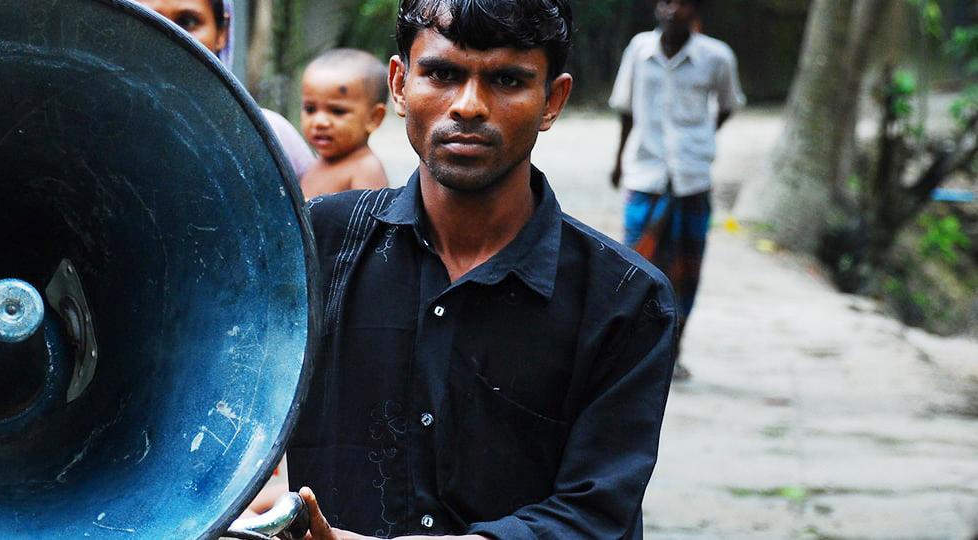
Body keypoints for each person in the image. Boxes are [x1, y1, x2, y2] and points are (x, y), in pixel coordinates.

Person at [286, 0, 679, 538]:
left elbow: (595, 516)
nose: (469, 106)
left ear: (552, 100)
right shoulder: (314, 247)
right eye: (443, 74)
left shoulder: (624, 300)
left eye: (507, 80)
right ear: (400, 85)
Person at [608, 0, 744, 379]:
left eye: (682, 4)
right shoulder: (639, 51)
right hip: (645, 175)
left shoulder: (716, 58)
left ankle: (674, 351)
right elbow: (625, 109)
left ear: (696, 12)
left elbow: (728, 105)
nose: (672, 10)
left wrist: (700, 140)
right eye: (667, 2)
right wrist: (618, 161)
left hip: (692, 180)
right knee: (636, 266)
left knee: (685, 269)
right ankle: (634, 352)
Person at [134, 0, 316, 179]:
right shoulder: (107, 133)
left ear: (223, 33)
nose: (168, 34)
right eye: (149, 19)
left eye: (188, 21)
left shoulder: (267, 135)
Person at [299, 48, 390, 200]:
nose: (319, 122)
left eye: (337, 111)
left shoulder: (365, 169)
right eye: (310, 109)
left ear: (373, 118)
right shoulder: (315, 164)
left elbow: (370, 222)